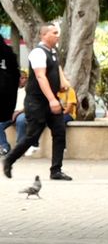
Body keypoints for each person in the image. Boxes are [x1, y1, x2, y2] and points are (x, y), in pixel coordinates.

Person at [2, 23, 73, 180]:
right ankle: (9, 159)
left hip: (51, 101)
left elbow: (57, 69)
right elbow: (41, 77)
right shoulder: (37, 53)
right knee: (33, 136)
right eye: (54, 32)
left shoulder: (53, 52)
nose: (57, 35)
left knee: (60, 133)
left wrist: (62, 83)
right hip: (37, 103)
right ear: (44, 35)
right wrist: (52, 99)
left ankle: (56, 170)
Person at [0, 71, 26, 155]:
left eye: (25, 78)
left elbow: (30, 104)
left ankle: (20, 147)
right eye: (22, 78)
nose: (24, 80)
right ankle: (5, 147)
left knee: (20, 120)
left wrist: (18, 112)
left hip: (23, 112)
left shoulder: (28, 90)